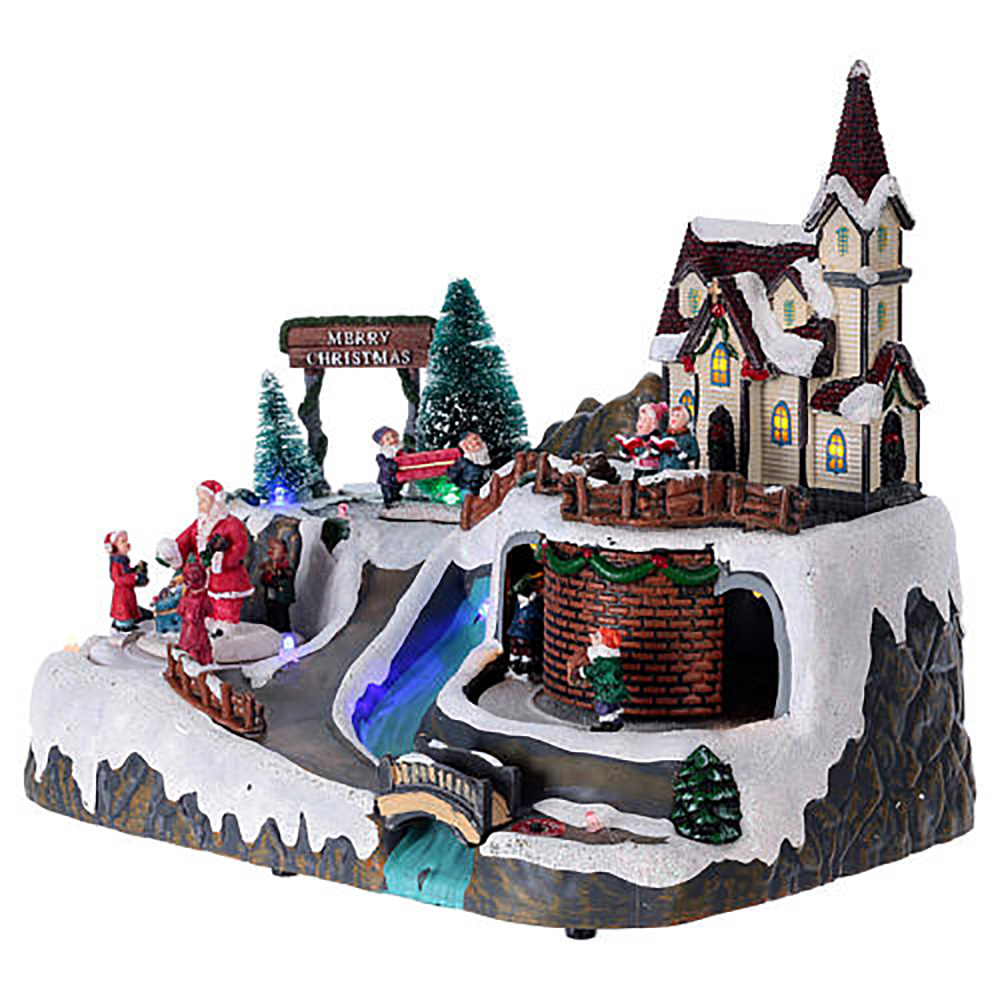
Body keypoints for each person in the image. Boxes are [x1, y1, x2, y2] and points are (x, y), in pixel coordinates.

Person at [158, 480, 254, 634]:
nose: (199, 504)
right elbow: (185, 540)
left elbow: (240, 547)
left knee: (225, 603)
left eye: (203, 500)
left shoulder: (232, 524)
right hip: (202, 576)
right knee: (206, 603)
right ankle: (208, 626)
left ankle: (226, 628)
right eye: (199, 500)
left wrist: (222, 560)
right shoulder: (199, 524)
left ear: (216, 502)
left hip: (226, 577)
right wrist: (172, 551)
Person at [569, 626, 630, 732]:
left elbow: (594, 670)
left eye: (597, 637)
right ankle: (616, 721)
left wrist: (582, 671)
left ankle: (606, 724)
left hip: (606, 691)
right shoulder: (612, 659)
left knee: (603, 706)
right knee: (612, 707)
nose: (592, 638)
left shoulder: (603, 661)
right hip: (614, 690)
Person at [105, 530, 149, 632]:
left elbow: (127, 573)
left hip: (127, 592)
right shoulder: (116, 563)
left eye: (126, 541)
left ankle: (129, 623)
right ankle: (123, 626)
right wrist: (134, 577)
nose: (127, 544)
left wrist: (136, 569)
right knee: (124, 610)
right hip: (122, 594)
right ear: (113, 547)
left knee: (129, 608)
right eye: (123, 542)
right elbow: (117, 579)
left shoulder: (123, 561)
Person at [614, 402, 670, 478]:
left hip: (651, 471)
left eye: (645, 420)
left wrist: (643, 449)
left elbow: (655, 453)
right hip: (637, 470)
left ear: (653, 424)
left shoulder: (655, 439)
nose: (640, 424)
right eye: (640, 419)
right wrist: (626, 450)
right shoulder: (637, 438)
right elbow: (628, 457)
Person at [507, 573, 543, 681]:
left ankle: (520, 665)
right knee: (524, 650)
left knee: (519, 649)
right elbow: (537, 615)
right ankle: (523, 666)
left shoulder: (522, 603)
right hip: (525, 633)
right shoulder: (529, 604)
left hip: (518, 632)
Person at [178, 559, 213, 667]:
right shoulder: (205, 597)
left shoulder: (185, 596)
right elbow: (209, 611)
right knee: (201, 647)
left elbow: (180, 611)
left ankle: (190, 666)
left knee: (188, 646)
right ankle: (201, 666)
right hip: (198, 628)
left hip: (187, 629)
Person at [259, 537, 296, 633]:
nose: (271, 551)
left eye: (274, 549)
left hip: (281, 598)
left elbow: (286, 580)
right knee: (271, 615)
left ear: (283, 553)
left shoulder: (285, 567)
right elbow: (264, 579)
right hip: (271, 597)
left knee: (282, 616)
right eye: (270, 548)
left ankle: (285, 634)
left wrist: (276, 581)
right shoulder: (269, 566)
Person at [445, 431, 491, 497]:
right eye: (470, 442)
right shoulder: (463, 462)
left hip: (482, 490)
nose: (475, 443)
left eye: (475, 439)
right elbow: (452, 474)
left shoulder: (486, 461)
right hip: (467, 489)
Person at [658, 404, 700, 471]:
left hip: (679, 471)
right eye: (672, 415)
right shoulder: (665, 436)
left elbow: (694, 454)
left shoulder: (688, 437)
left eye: (678, 416)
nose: (674, 418)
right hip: (663, 469)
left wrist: (680, 453)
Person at [373, 426, 403, 506]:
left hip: (397, 478)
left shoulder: (399, 451)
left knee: (396, 490)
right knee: (389, 492)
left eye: (394, 436)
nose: (392, 440)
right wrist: (391, 466)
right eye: (388, 439)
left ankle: (396, 498)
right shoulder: (382, 455)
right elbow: (384, 465)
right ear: (382, 443)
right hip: (386, 480)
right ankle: (389, 502)